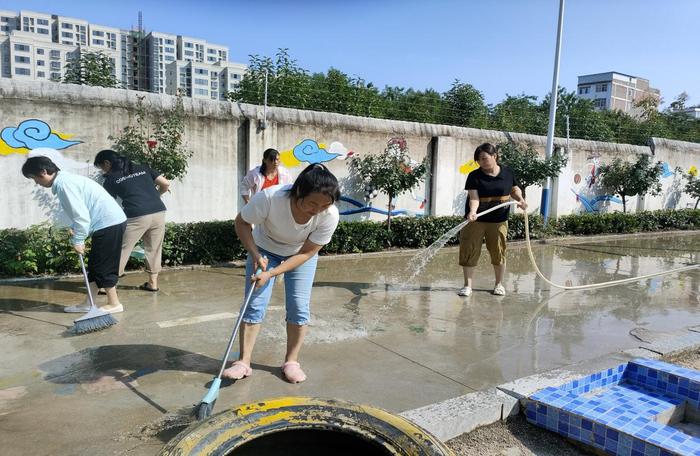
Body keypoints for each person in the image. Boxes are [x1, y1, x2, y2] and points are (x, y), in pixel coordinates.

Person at [223, 163, 340, 384]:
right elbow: (241, 222)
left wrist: (274, 273)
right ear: (298, 192)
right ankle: (243, 362)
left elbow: (307, 253)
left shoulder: (330, 215)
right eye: (313, 202)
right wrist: (255, 254)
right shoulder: (270, 198)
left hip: (299, 255)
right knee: (254, 303)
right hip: (264, 250)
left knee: (298, 306)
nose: (317, 209)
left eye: (324, 205)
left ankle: (291, 362)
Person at [22, 153, 127, 313]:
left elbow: (82, 217)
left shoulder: (64, 185)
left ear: (43, 172)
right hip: (107, 222)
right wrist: (75, 226)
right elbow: (84, 208)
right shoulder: (66, 180)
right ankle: (88, 303)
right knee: (94, 265)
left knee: (103, 266)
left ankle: (114, 303)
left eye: (34, 178)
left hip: (108, 223)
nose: (36, 183)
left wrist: (78, 240)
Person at [94, 150, 170, 292]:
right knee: (154, 248)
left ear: (107, 163)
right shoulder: (143, 168)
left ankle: (108, 285)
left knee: (121, 248)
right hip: (159, 211)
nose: (102, 170)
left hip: (136, 215)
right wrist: (156, 196)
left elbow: (106, 202)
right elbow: (165, 183)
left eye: (101, 167)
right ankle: (152, 283)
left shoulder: (111, 179)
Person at [459, 143, 527, 297]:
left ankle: (499, 284)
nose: (481, 162)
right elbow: (474, 197)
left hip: (498, 220)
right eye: (479, 160)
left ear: (494, 156)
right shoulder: (474, 176)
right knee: (469, 250)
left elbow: (514, 189)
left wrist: (521, 199)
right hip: (475, 220)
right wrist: (473, 212)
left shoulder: (508, 173)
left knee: (498, 251)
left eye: (484, 158)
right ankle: (467, 286)